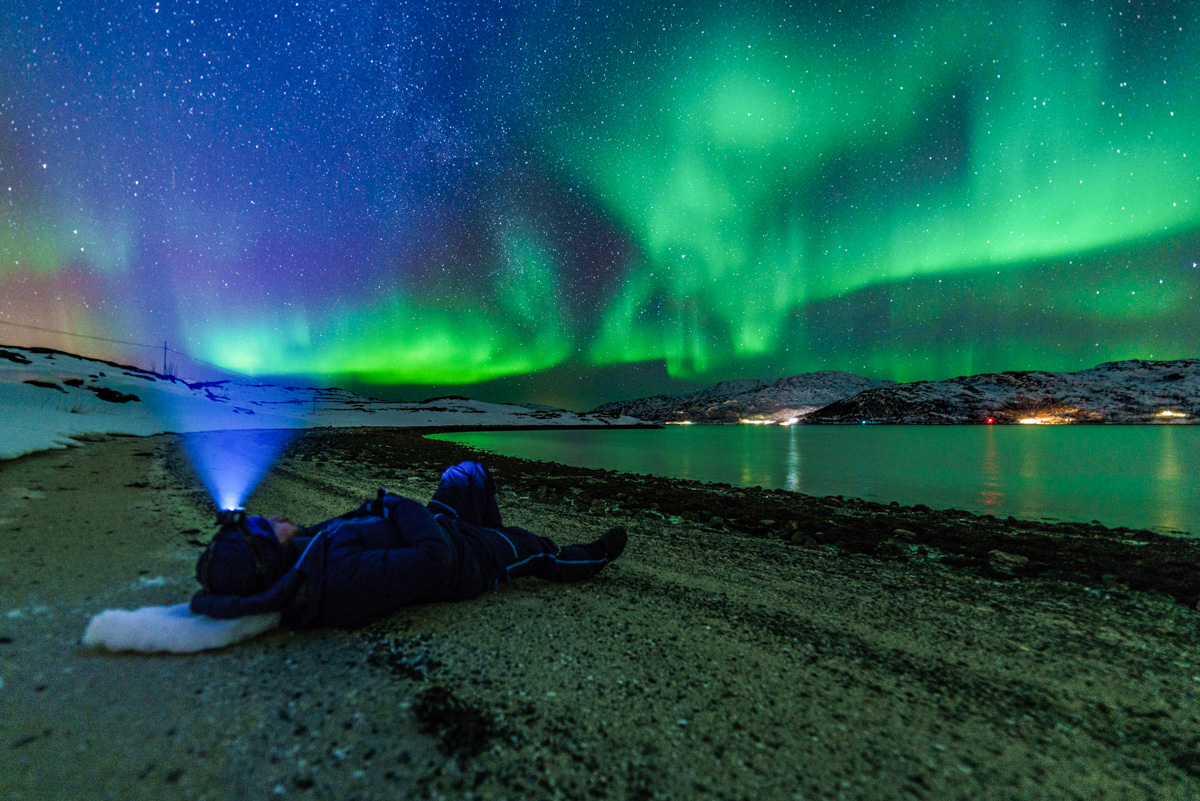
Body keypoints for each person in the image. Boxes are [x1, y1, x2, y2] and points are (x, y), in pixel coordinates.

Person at [190, 461, 627, 628]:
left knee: (465, 472)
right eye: (270, 526)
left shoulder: (306, 553)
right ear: (271, 553)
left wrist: (382, 509)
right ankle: (593, 556)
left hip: (438, 526)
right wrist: (394, 502)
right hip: (466, 559)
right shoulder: (337, 579)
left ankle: (497, 531)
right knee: (539, 549)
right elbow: (434, 561)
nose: (276, 516)